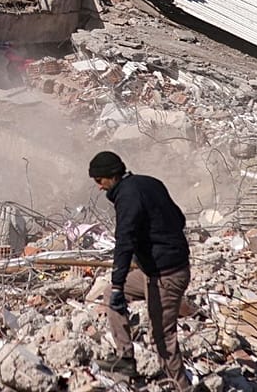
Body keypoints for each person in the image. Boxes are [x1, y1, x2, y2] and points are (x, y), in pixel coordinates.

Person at [89, 151, 191, 387]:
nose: (98, 187)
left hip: (167, 275)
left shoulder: (128, 197)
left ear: (111, 176)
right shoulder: (150, 183)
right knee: (111, 295)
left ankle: (182, 386)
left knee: (162, 338)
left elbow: (125, 240)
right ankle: (125, 358)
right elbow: (179, 219)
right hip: (153, 270)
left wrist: (118, 280)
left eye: (99, 181)